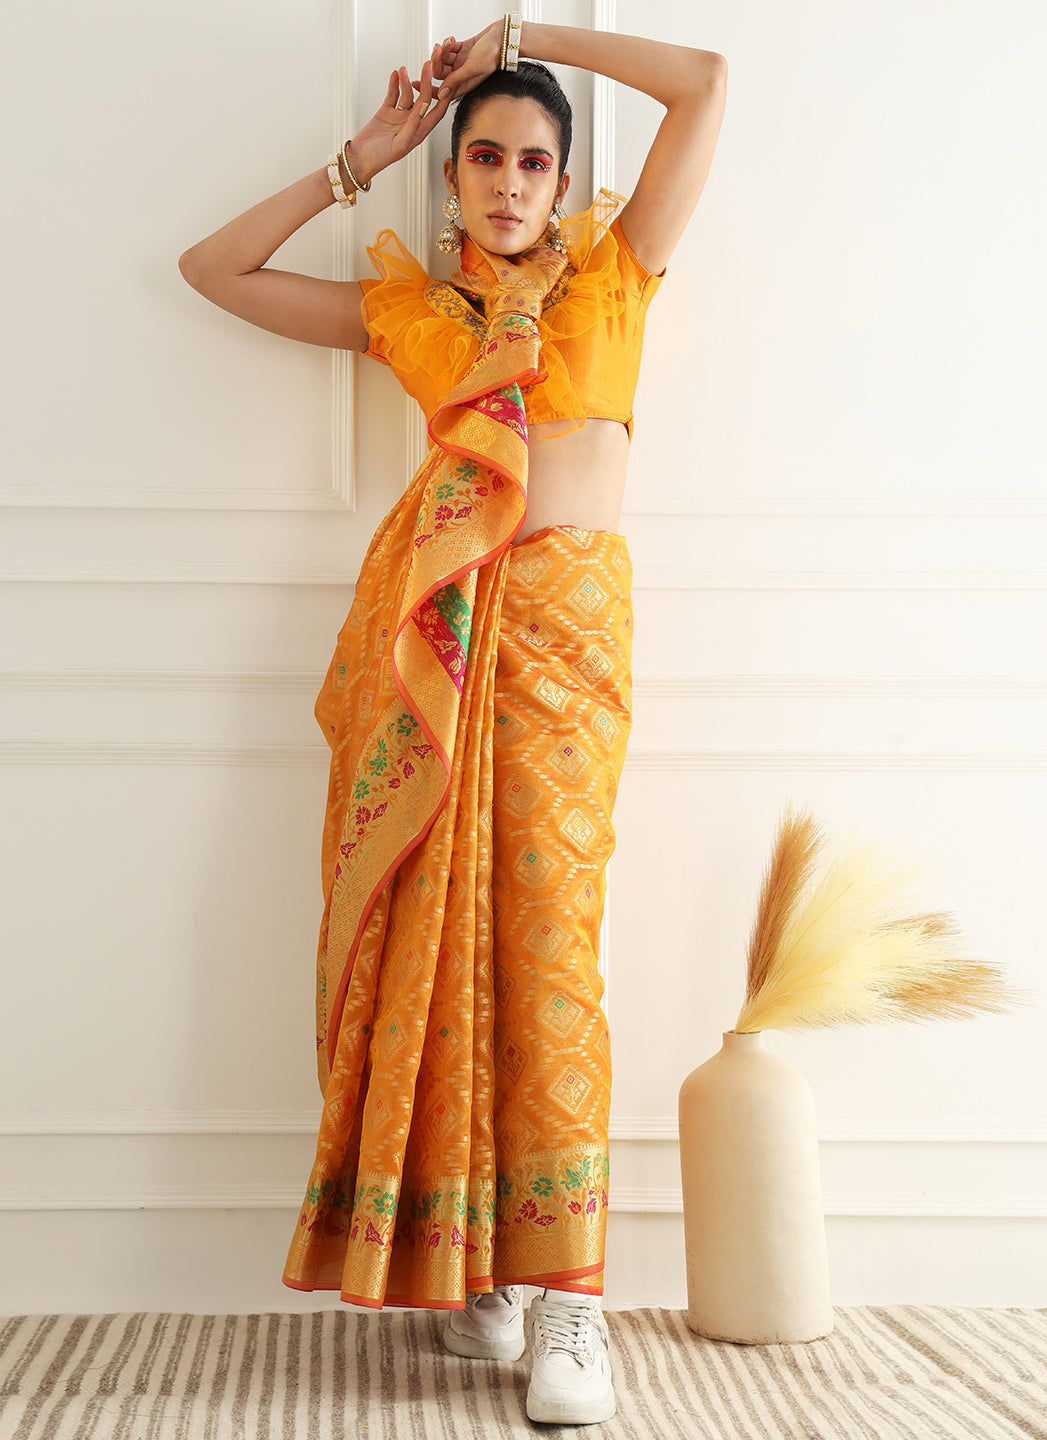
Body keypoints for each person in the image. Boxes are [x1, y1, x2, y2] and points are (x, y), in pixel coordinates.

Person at [179, 13, 726, 1426]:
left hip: (568, 638)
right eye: (484, 157)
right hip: (445, 648)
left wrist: (522, 35)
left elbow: (709, 85)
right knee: (446, 941)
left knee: (551, 947)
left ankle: (574, 1302)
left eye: (533, 161)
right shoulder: (415, 315)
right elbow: (213, 270)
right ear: (454, 176)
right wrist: (362, 159)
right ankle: (483, 1269)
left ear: (563, 180)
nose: (507, 181)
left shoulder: (618, 276)